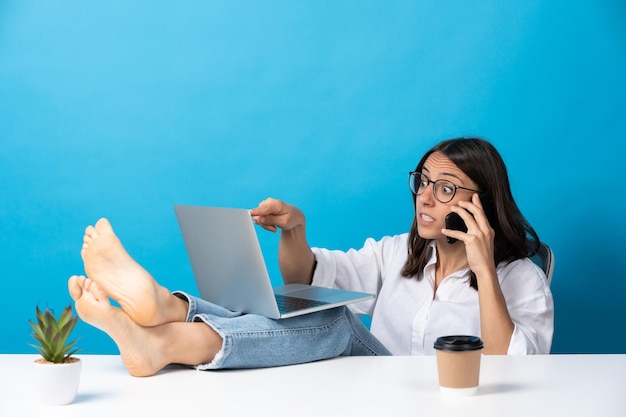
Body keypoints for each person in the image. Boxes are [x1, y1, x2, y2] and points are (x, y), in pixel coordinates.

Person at [68, 137, 554, 377]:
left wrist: (484, 268)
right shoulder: (397, 254)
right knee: (303, 307)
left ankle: (172, 328)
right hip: (373, 390)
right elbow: (309, 280)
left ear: (482, 203)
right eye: (423, 181)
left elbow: (513, 368)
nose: (425, 198)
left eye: (445, 188)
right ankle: (167, 315)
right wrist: (295, 231)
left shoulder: (521, 280)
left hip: (447, 400)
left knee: (340, 325)